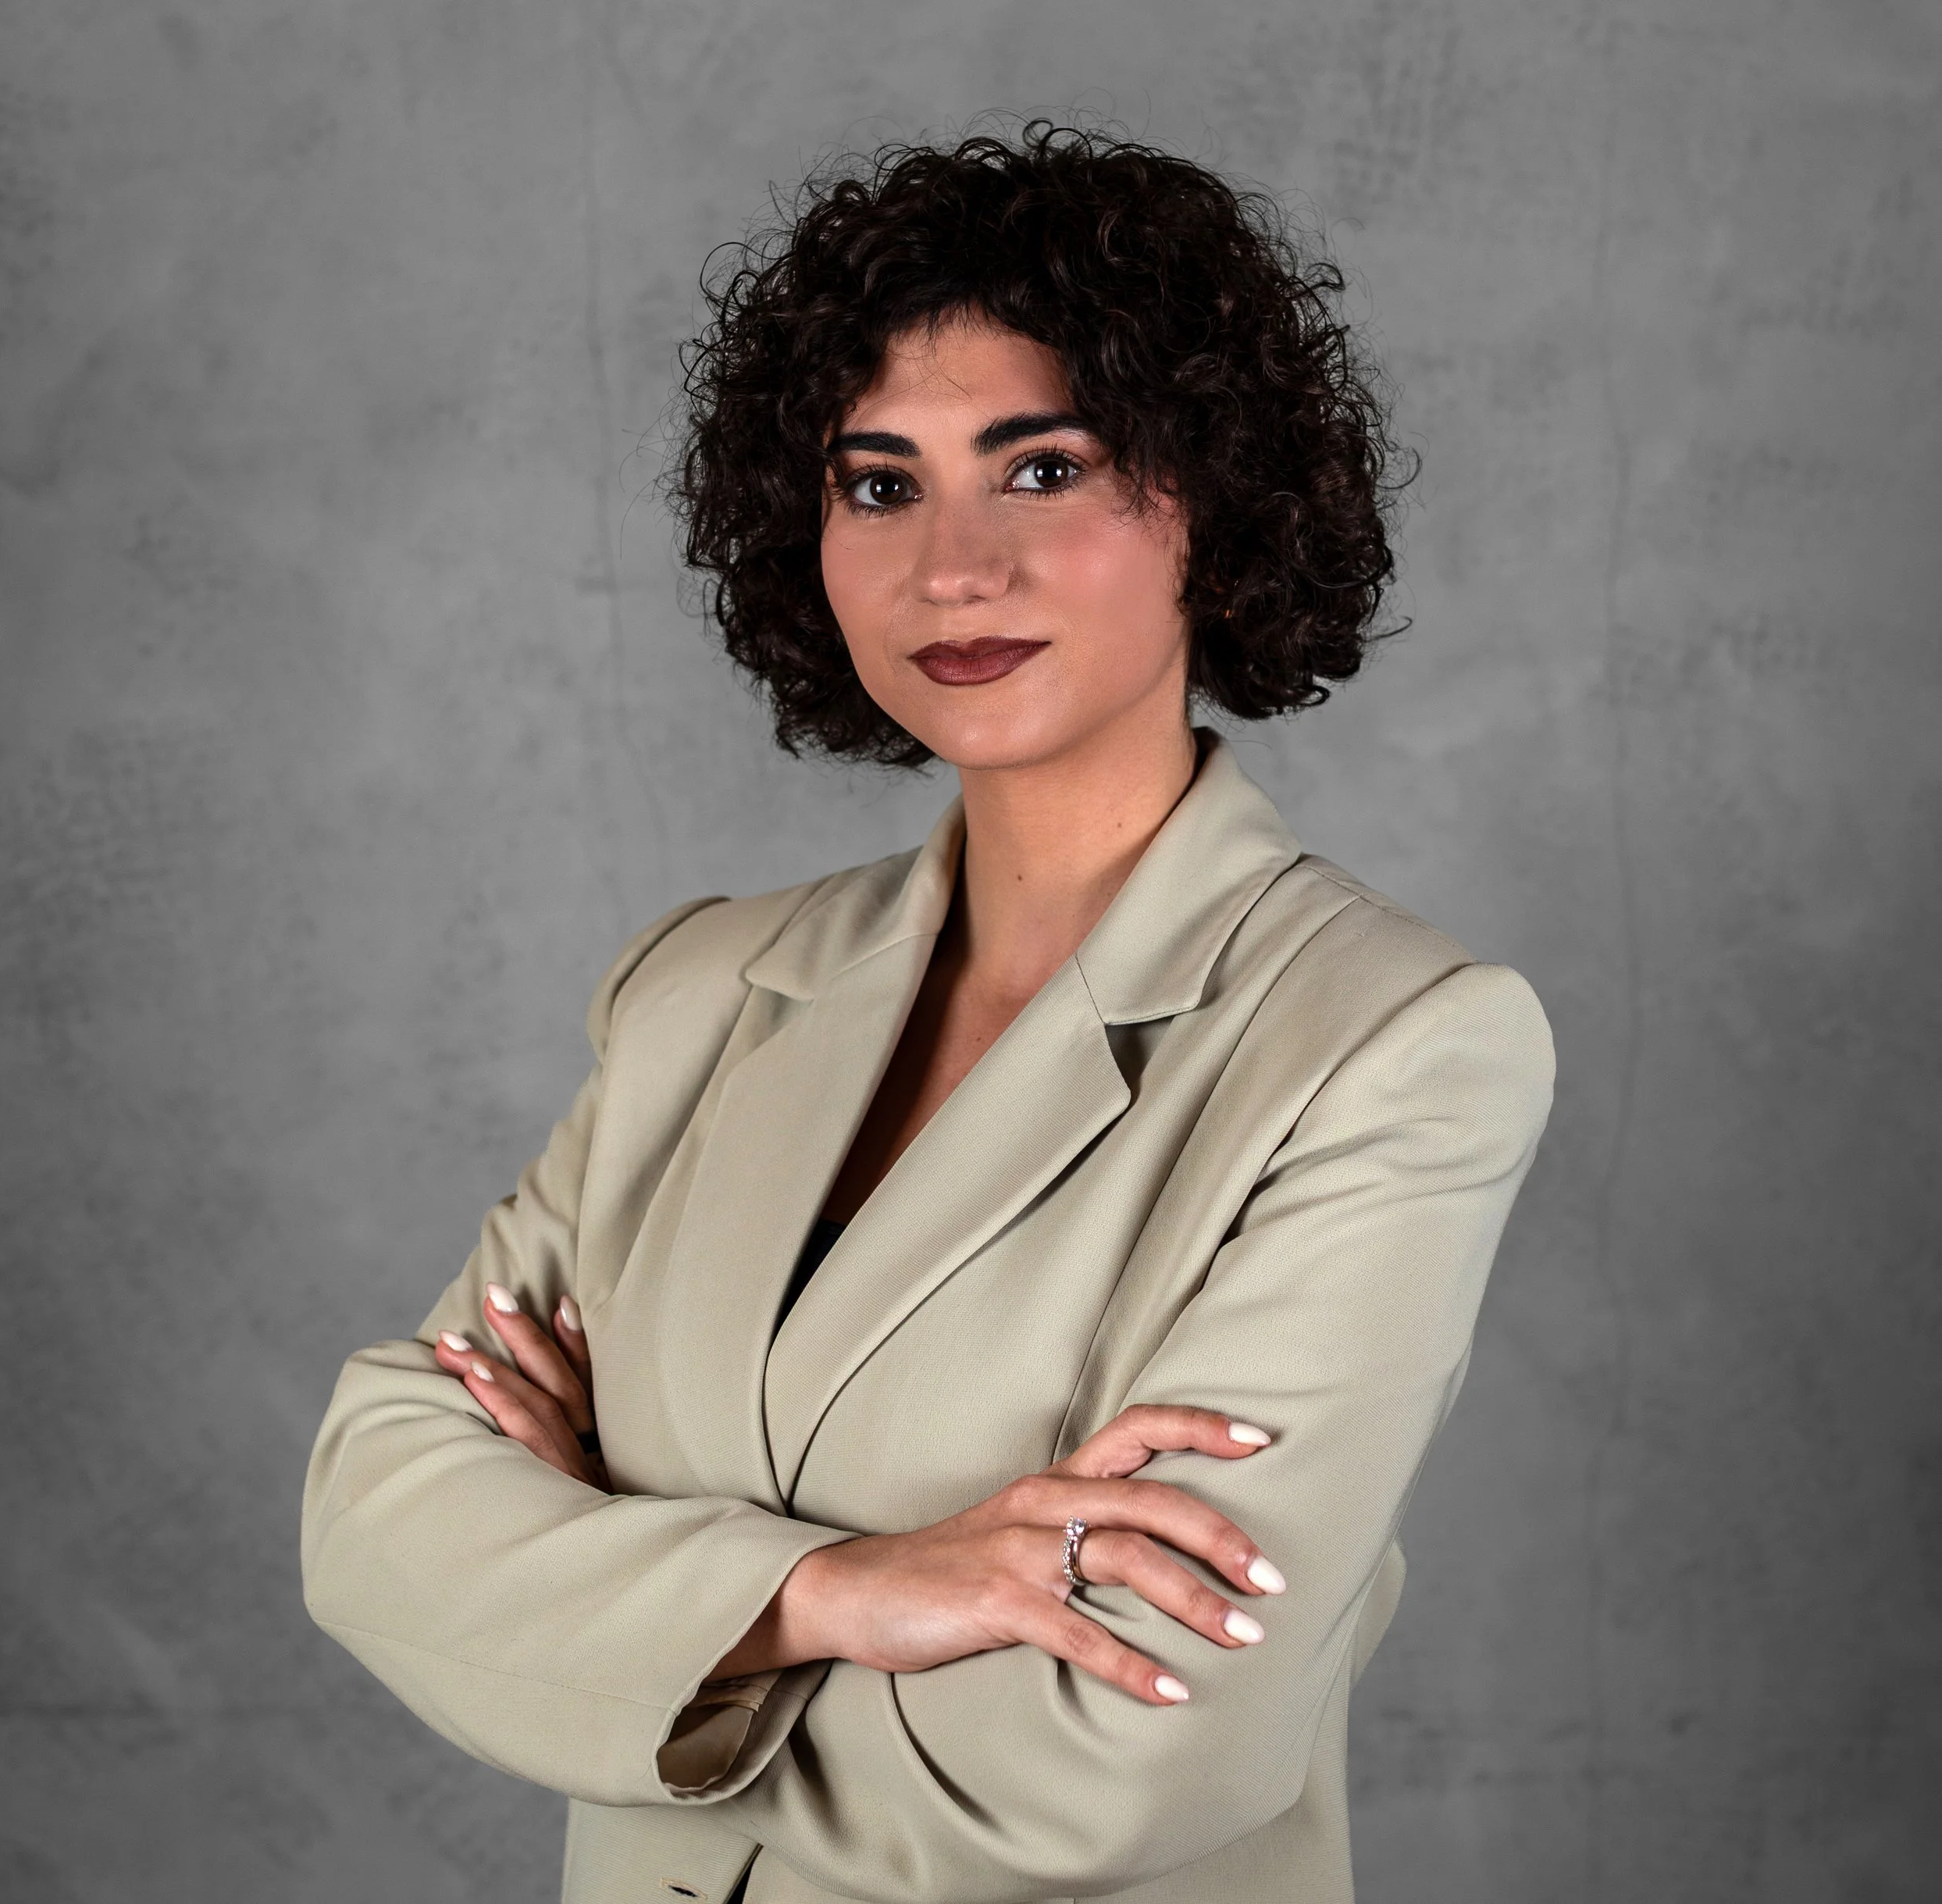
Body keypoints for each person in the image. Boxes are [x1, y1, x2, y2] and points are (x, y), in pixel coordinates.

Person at [301, 125, 1554, 1904]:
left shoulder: (1390, 1043)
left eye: (1040, 469)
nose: (947, 564)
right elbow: (372, 1511)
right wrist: (829, 1594)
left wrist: (619, 1604)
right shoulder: (699, 990)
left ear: (1216, 495)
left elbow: (1117, 1757)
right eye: (878, 483)